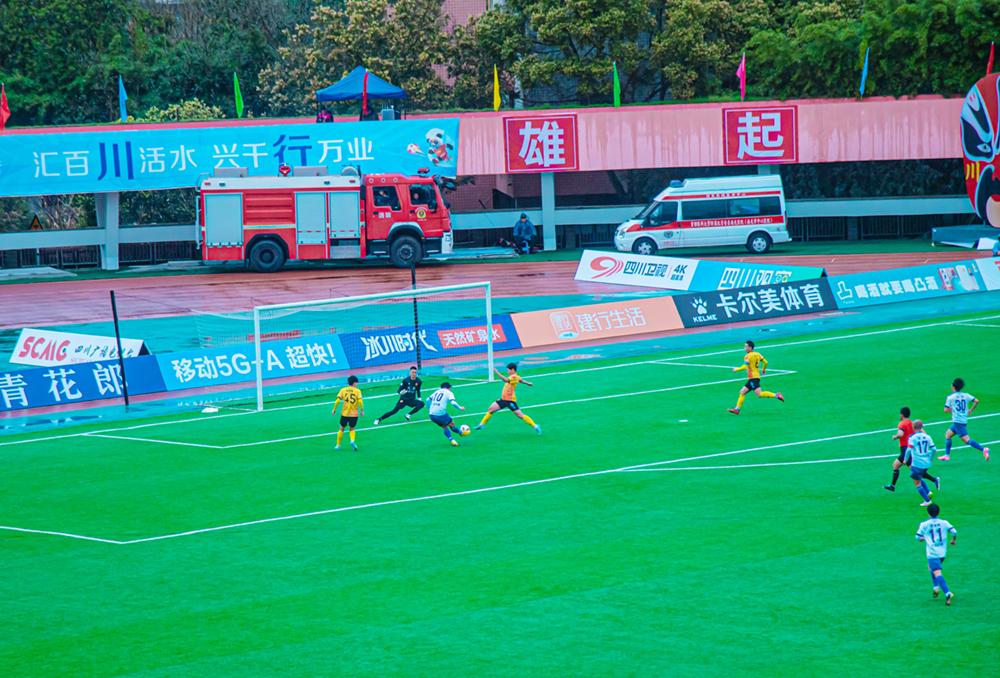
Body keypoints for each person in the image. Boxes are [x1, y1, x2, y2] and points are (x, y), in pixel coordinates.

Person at [476, 363, 541, 434]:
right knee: (490, 409)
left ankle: (535, 426)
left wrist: (496, 371)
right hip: (503, 399)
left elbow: (505, 380)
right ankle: (482, 424)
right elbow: (521, 380)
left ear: (512, 369)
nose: (507, 371)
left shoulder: (513, 377)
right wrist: (528, 383)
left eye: (508, 370)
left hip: (510, 401)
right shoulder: (515, 377)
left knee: (520, 415)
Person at [884, 406, 938, 492]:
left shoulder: (902, 424)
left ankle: (931, 486)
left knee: (916, 474)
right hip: (908, 450)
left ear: (902, 414)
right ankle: (892, 486)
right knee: (895, 465)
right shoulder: (912, 423)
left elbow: (901, 434)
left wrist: (895, 436)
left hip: (906, 451)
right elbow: (924, 432)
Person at [915, 503, 957, 606]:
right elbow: (954, 532)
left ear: (928, 513)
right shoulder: (944, 522)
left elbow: (917, 537)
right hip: (942, 553)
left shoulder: (924, 524)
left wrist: (922, 539)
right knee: (931, 568)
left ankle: (947, 593)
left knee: (937, 572)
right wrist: (953, 540)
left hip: (932, 553)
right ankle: (935, 588)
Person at [938, 378, 989, 461]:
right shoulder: (966, 395)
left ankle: (984, 450)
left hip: (958, 422)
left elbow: (946, 410)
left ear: (953, 386)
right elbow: (976, 401)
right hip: (961, 421)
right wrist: (970, 410)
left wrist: (953, 409)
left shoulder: (950, 397)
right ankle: (947, 455)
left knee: (967, 440)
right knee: (948, 434)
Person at [728, 340, 783, 415]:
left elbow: (745, 366)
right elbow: (766, 362)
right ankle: (737, 409)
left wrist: (737, 369)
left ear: (750, 347)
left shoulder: (747, 356)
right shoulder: (758, 354)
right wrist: (763, 370)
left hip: (753, 378)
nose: (744, 348)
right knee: (742, 392)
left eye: (746, 346)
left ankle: (776, 395)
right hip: (755, 377)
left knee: (759, 394)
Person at [904, 420, 939, 506]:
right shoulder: (928, 437)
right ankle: (931, 487)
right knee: (920, 476)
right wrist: (930, 458)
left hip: (917, 463)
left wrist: (905, 459)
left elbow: (909, 450)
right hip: (926, 463)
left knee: (917, 483)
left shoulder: (912, 438)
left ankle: (927, 500)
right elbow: (934, 449)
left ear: (913, 427)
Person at [426, 381, 466, 446]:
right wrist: (460, 408)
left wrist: (428, 409)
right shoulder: (449, 392)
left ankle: (452, 440)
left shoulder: (437, 391)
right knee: (451, 424)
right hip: (440, 414)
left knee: (444, 426)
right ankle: (461, 433)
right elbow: (453, 403)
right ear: (448, 388)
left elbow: (427, 400)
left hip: (432, 415)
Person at [332, 375, 364, 450]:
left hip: (344, 413)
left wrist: (334, 409)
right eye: (357, 382)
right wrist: (362, 410)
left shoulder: (343, 390)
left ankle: (338, 445)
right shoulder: (357, 391)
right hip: (354, 414)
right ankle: (352, 440)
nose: (357, 384)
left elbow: (337, 400)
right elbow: (360, 401)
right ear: (354, 383)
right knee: (352, 428)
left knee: (341, 428)